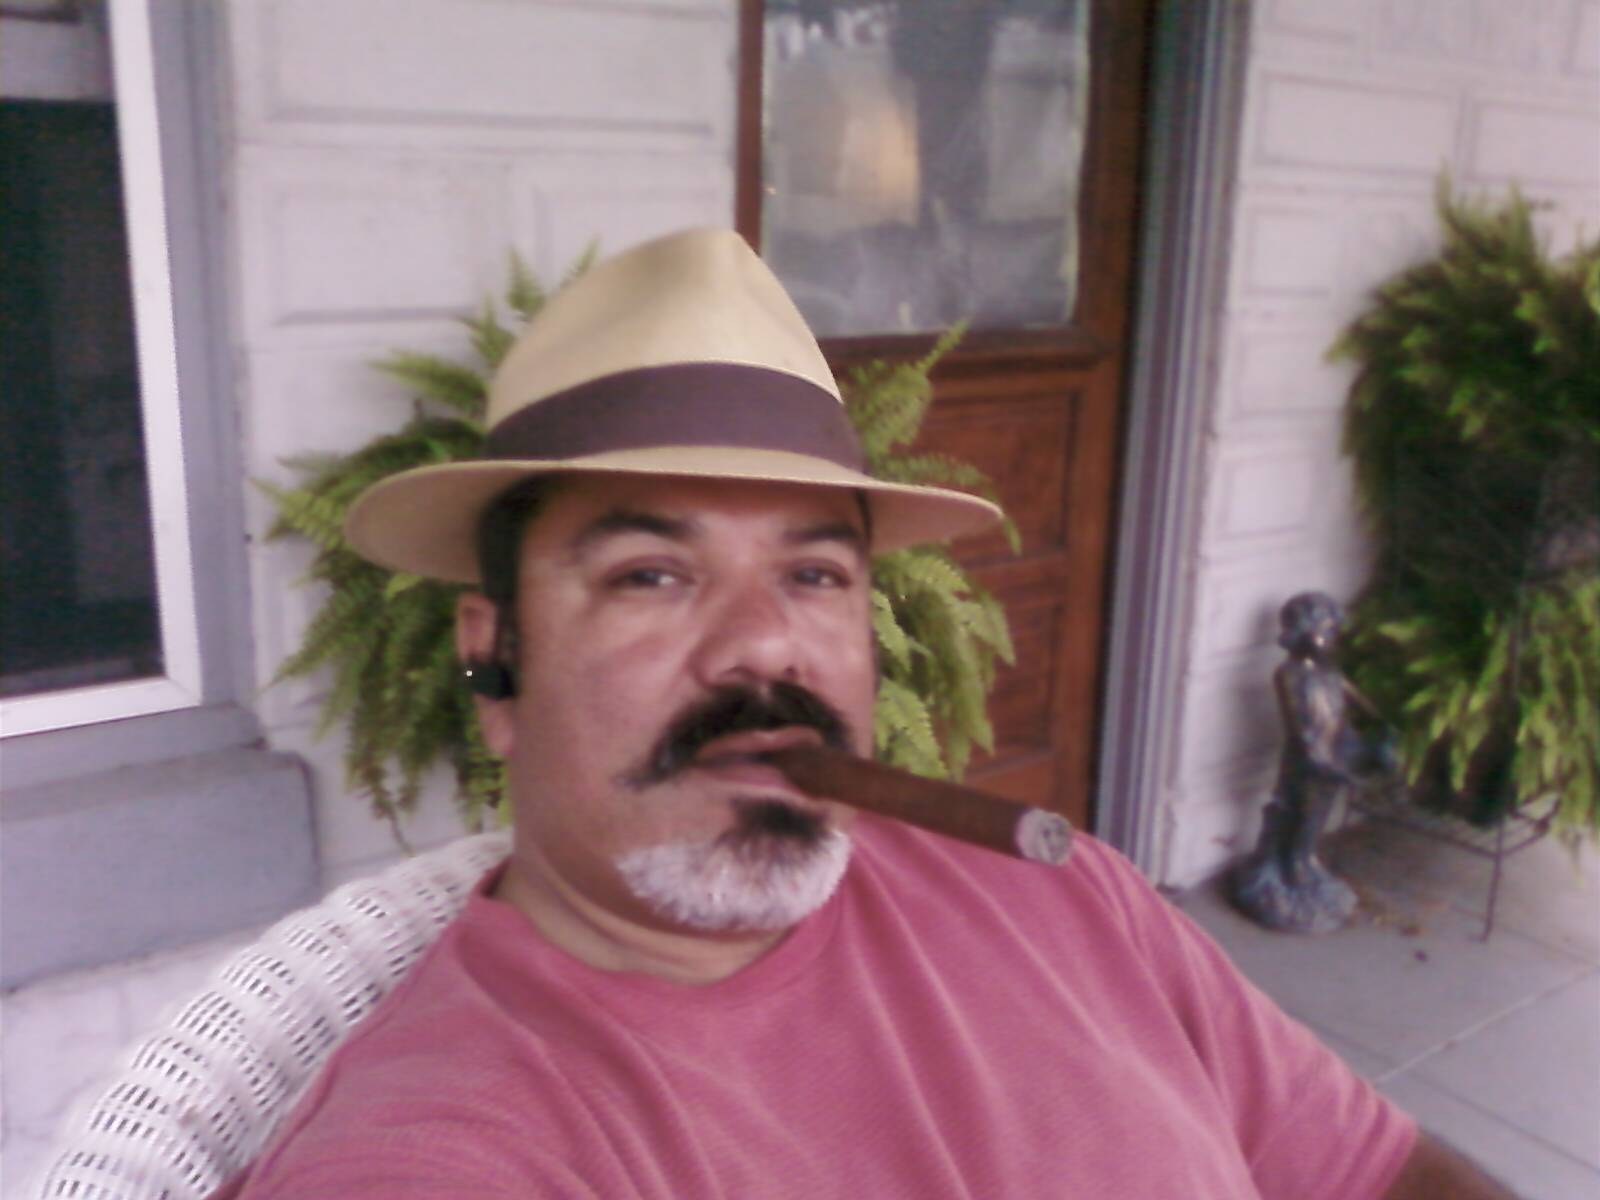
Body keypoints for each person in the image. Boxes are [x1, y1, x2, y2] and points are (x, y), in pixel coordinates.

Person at [214, 229, 1514, 1198]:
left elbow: (1371, 1170)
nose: (763, 643)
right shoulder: (459, 1138)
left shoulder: (1063, 891)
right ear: (493, 662)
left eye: (815, 574)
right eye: (651, 574)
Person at [1231, 591, 1396, 934]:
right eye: (1327, 631)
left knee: (1319, 816)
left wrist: (1379, 727)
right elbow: (1300, 728)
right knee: (1300, 813)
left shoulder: (1329, 673)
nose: (1333, 639)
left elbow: (1360, 703)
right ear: (1304, 633)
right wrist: (1318, 758)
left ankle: (1306, 861)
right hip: (1307, 763)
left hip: (1334, 753)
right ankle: (1292, 866)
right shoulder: (1290, 674)